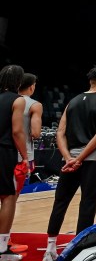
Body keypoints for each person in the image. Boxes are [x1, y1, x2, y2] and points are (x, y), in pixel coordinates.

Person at [42, 67, 96, 261]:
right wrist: (80, 158)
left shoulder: (72, 101)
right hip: (92, 159)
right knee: (88, 203)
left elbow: (60, 132)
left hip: (70, 159)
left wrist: (68, 158)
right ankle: (78, 248)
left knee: (60, 201)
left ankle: (50, 248)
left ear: (90, 81)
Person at [0, 65, 28, 261]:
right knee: (8, 197)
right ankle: (2, 247)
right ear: (19, 81)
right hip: (5, 151)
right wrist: (25, 156)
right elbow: (17, 131)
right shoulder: (18, 100)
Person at [18, 74, 41, 182]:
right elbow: (35, 133)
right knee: (19, 192)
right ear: (31, 87)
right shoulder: (35, 105)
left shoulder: (6, 100)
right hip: (23, 155)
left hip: (4, 152)